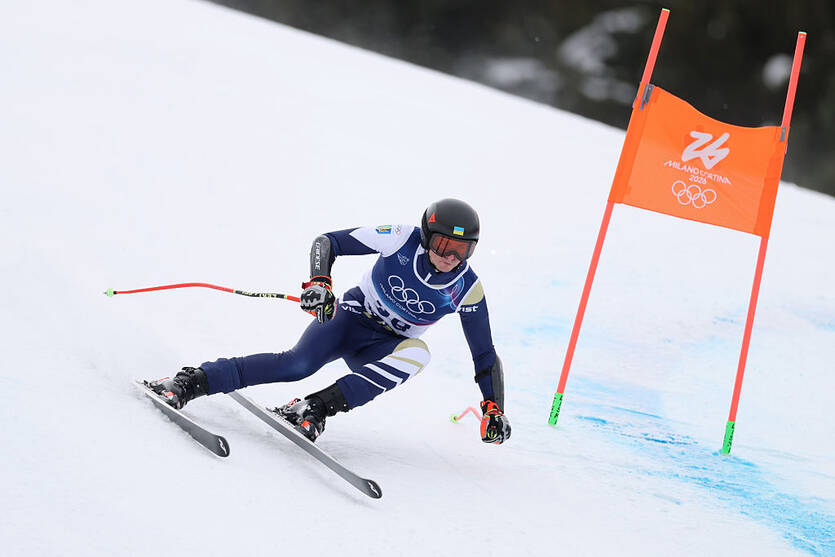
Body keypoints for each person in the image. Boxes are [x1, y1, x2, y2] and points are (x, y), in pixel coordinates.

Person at [148, 198, 510, 445]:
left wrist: (494, 407)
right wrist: (320, 281)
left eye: (461, 250)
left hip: (384, 346)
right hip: (351, 316)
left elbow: (484, 353)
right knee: (296, 364)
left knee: (420, 355)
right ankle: (190, 382)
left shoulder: (467, 288)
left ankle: (314, 408)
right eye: (443, 245)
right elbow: (328, 242)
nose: (450, 257)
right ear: (427, 236)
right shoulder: (401, 239)